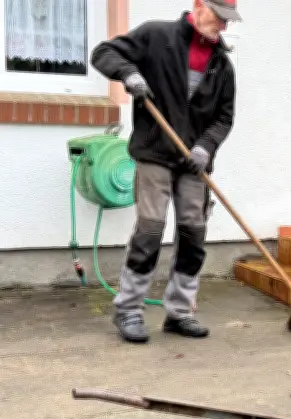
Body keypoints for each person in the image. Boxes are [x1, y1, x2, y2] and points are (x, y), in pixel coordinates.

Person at [90, 0, 240, 343]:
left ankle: (180, 312)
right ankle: (128, 310)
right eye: (219, 17)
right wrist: (129, 74)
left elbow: (223, 118)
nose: (224, 26)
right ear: (199, 5)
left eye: (229, 20)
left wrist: (205, 147)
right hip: (155, 152)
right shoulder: (157, 35)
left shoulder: (222, 66)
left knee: (193, 231)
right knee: (151, 228)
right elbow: (103, 53)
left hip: (192, 161)